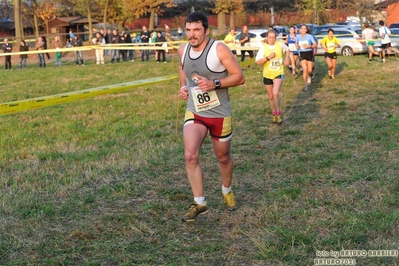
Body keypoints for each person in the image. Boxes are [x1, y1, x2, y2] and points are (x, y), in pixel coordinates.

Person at [178, 11, 245, 222]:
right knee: (190, 155)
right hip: (195, 111)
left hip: (219, 114)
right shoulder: (182, 49)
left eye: (196, 30)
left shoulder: (219, 49)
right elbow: (183, 69)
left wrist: (214, 83)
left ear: (206, 30)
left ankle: (227, 190)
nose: (192, 34)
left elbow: (240, 77)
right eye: (188, 30)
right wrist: (183, 86)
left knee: (223, 157)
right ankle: (200, 202)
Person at [256, 30, 289, 124]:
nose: (271, 39)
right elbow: (258, 62)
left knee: (275, 93)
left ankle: (279, 113)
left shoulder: (280, 45)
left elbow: (287, 50)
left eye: (273, 37)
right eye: (269, 37)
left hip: (278, 72)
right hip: (267, 74)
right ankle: (274, 113)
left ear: (276, 37)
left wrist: (287, 58)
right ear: (267, 37)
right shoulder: (263, 48)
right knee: (271, 97)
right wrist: (267, 58)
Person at [295, 24, 317, 91]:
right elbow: (296, 43)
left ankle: (309, 76)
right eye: (302, 28)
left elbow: (315, 44)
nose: (303, 30)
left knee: (309, 70)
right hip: (302, 53)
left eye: (305, 29)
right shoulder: (298, 36)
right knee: (305, 69)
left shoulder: (310, 36)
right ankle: (306, 85)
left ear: (306, 30)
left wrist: (309, 46)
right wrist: (297, 46)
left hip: (309, 53)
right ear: (300, 30)